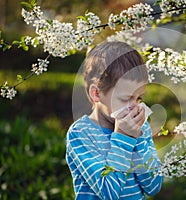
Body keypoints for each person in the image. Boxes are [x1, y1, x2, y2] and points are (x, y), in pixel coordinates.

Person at [65, 41, 163, 200]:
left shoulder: (140, 128)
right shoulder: (81, 134)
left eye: (139, 98)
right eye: (126, 99)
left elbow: (153, 186)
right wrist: (124, 138)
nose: (135, 107)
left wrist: (136, 139)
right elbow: (109, 192)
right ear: (96, 94)